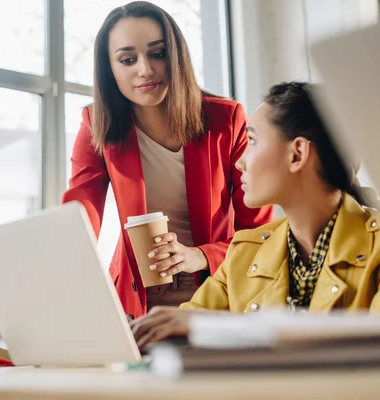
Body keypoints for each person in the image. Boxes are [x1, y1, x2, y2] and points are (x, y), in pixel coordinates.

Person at [130, 81, 380, 348]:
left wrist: (225, 326)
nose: (240, 162)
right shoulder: (244, 253)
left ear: (297, 154)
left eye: (252, 141)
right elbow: (180, 330)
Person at [62, 1, 273, 319]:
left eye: (157, 54)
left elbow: (261, 233)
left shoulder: (225, 120)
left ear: (176, 56)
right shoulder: (97, 126)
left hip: (218, 299)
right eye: (128, 59)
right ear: (110, 69)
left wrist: (198, 256)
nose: (144, 70)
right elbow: (79, 214)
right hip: (137, 308)